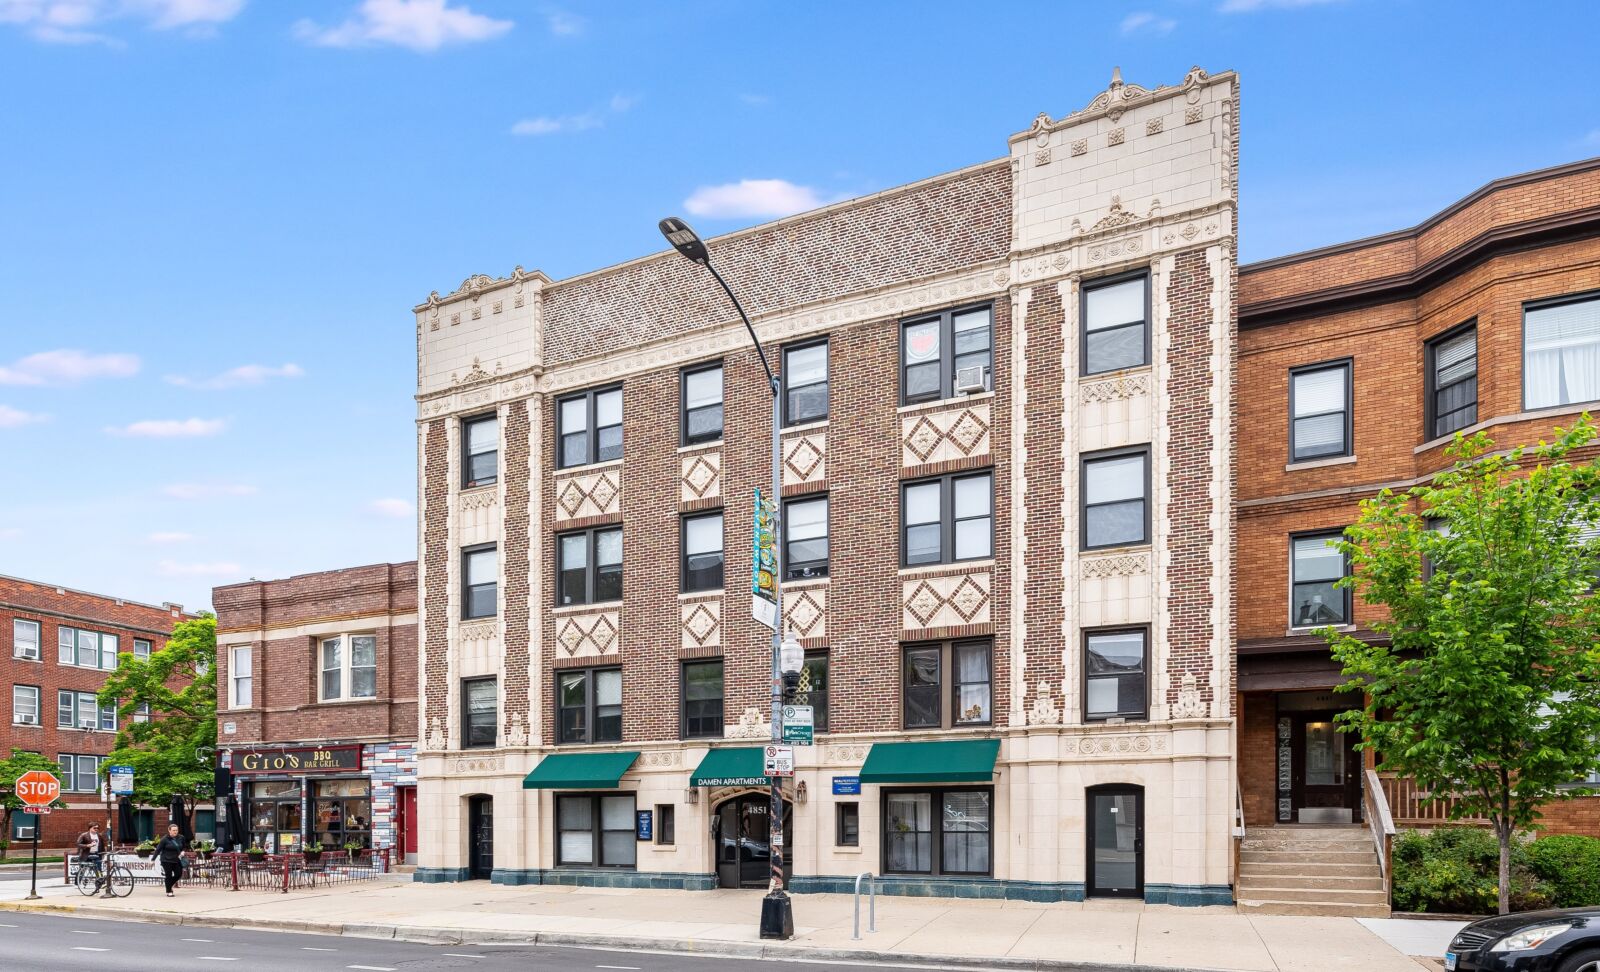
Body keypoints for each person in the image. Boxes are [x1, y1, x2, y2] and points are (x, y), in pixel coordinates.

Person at [155, 823, 188, 897]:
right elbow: (158, 850)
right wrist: (153, 859)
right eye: (173, 830)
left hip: (177, 859)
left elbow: (184, 847)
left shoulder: (181, 837)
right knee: (168, 875)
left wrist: (183, 851)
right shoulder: (164, 839)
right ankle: (169, 891)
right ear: (169, 830)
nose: (175, 832)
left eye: (176, 830)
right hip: (166, 860)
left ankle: (168, 885)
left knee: (178, 874)